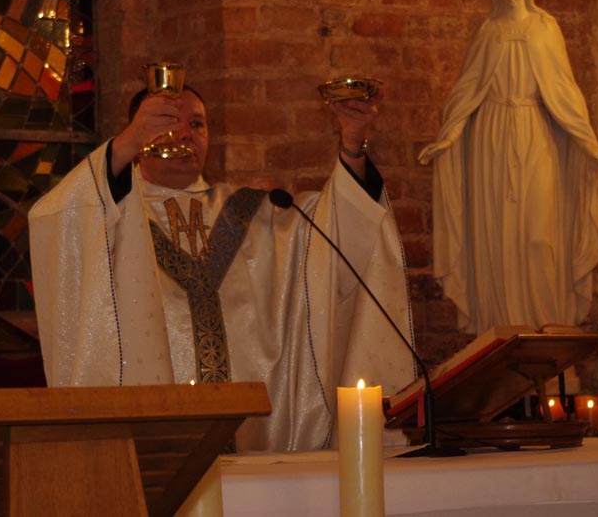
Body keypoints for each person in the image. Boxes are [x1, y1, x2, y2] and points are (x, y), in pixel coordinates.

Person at [29, 82, 415, 452]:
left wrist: (352, 147)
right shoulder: (109, 219)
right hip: (154, 448)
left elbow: (339, 242)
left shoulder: (260, 213)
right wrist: (126, 144)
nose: (185, 134)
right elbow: (61, 223)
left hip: (260, 445)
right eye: (167, 121)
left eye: (197, 124)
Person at [418, 0, 598, 335]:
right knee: (496, 236)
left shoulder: (545, 28)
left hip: (535, 132)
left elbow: (564, 90)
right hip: (491, 138)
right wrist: (448, 137)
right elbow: (467, 89)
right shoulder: (488, 31)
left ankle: (545, 327)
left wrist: (588, 142)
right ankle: (502, 329)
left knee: (539, 235)